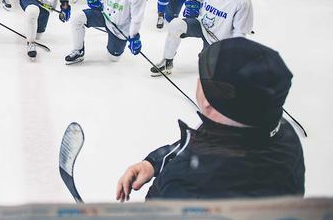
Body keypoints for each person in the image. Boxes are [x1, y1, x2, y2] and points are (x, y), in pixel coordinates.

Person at [116, 37, 304, 201]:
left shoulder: (187, 183)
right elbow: (204, 141)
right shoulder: (279, 131)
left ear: (207, 103)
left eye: (201, 79)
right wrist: (153, 162)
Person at [151, 0, 253, 76]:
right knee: (176, 24)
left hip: (219, 40)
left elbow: (240, 31)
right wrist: (193, 5)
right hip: (201, 25)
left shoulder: (242, 1)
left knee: (206, 68)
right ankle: (167, 62)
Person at [65, 0, 145, 65]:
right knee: (77, 18)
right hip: (104, 16)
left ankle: (114, 40)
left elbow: (137, 17)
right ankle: (78, 51)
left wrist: (133, 36)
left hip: (120, 27)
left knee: (113, 58)